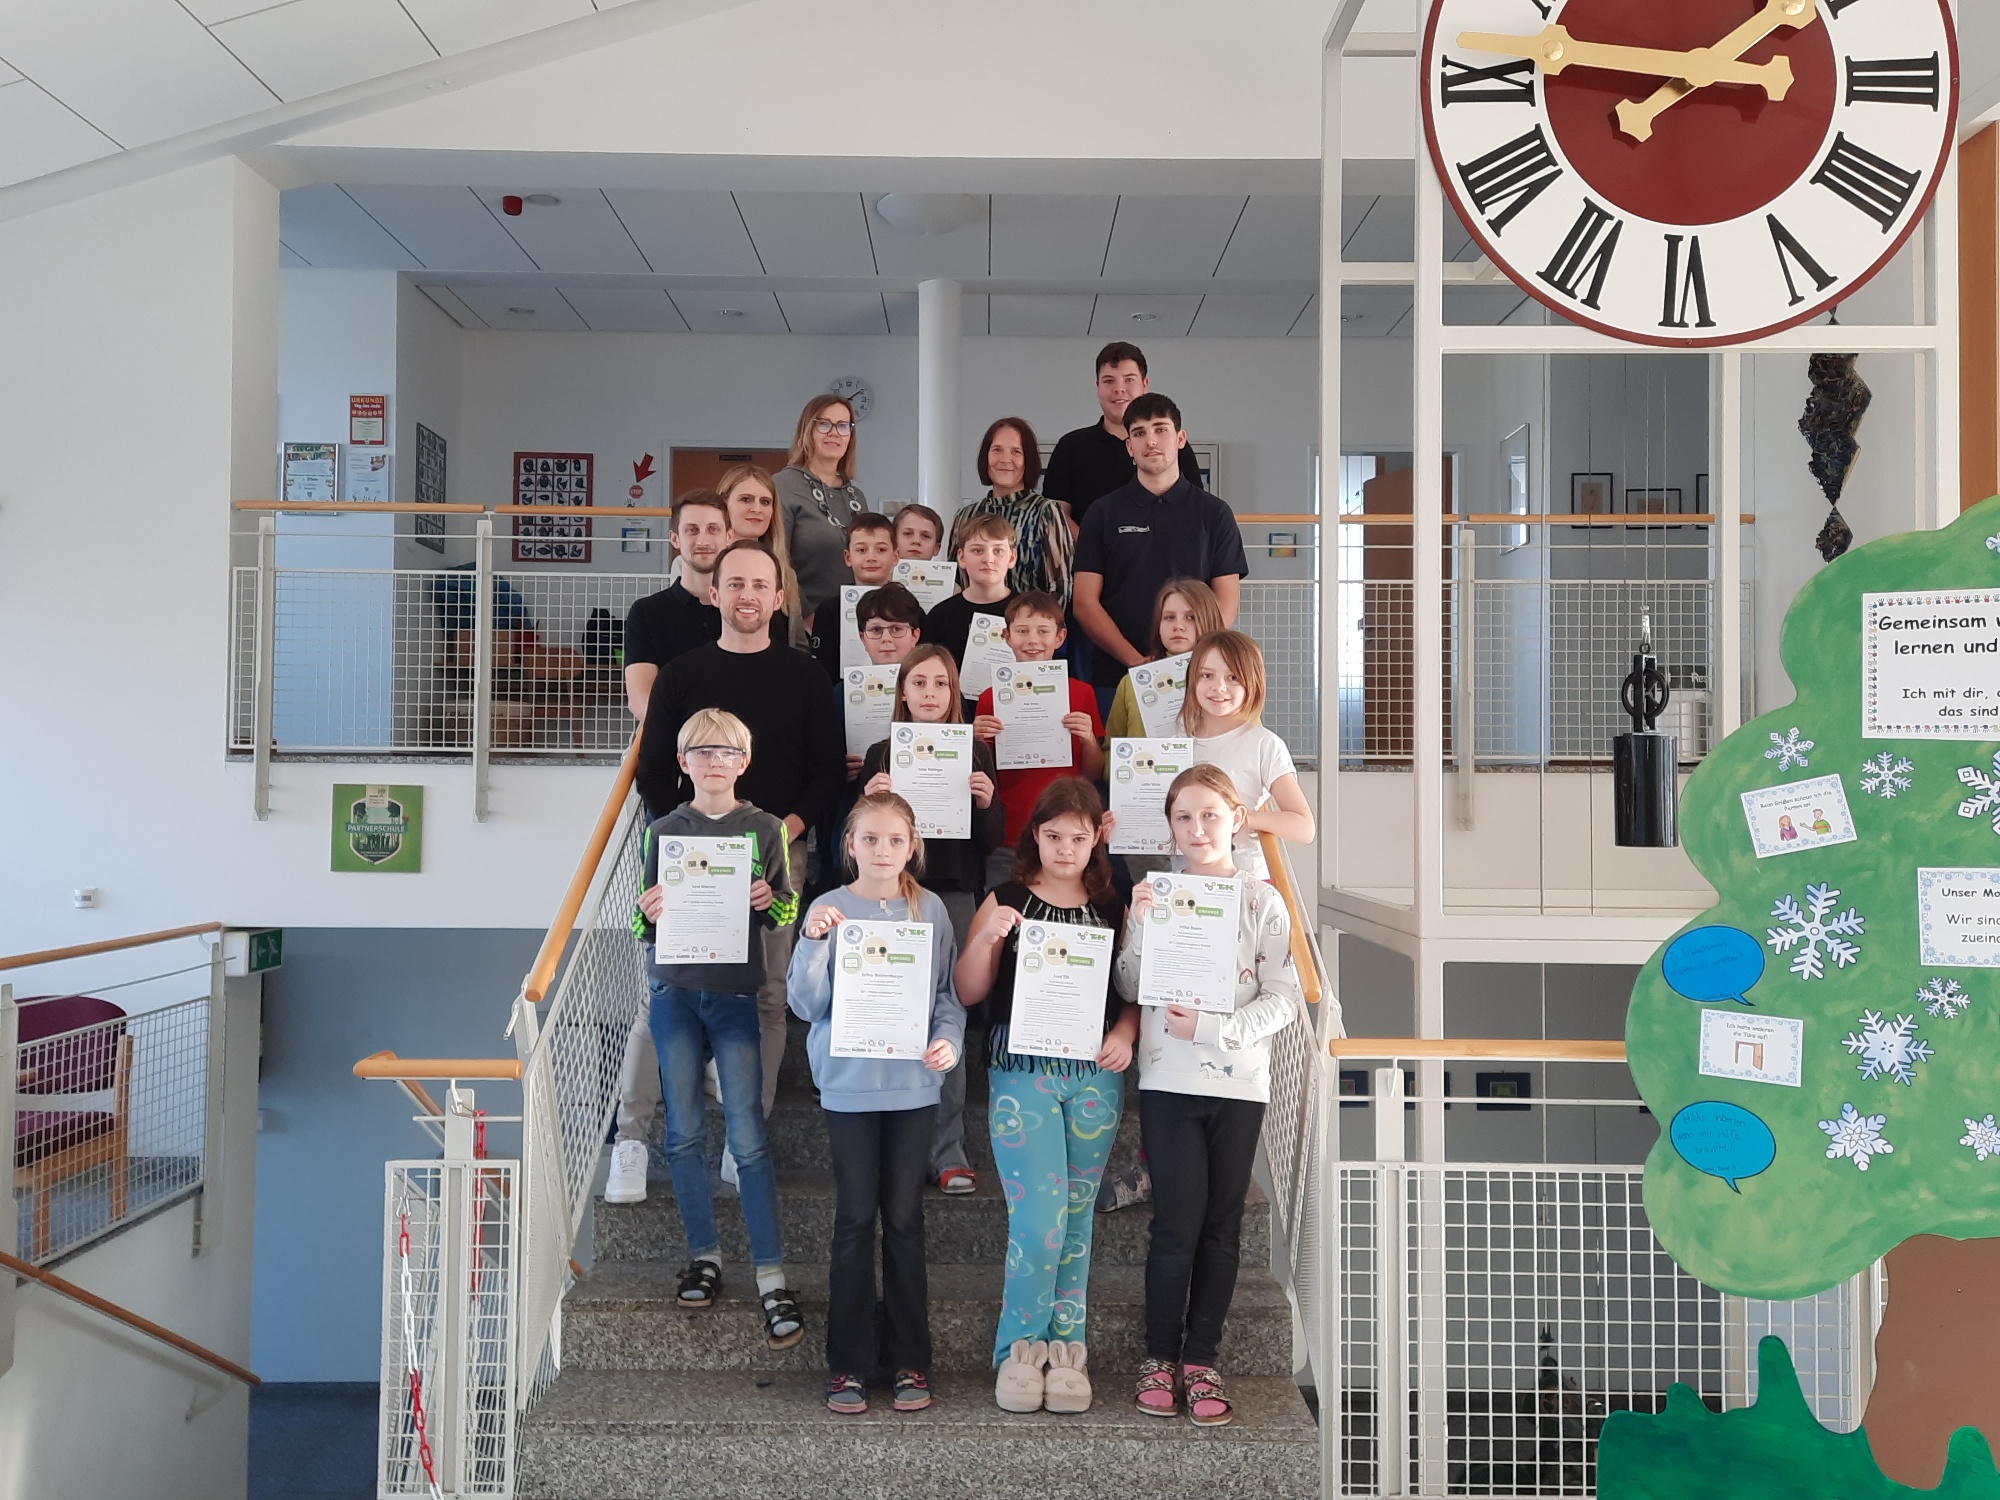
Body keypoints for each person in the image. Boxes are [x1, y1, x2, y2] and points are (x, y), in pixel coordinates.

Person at [1113, 765, 1303, 1428]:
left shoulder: (1262, 901)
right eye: (1184, 818)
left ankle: (1201, 1359)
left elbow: (1285, 998)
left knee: (1221, 1228)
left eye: (1210, 816)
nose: (1197, 829)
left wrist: (1217, 1029)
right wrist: (1137, 925)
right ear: (1169, 825)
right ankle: (1158, 1358)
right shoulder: (1156, 893)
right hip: (1168, 1081)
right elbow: (1132, 985)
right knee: (1174, 1225)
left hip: (1240, 1083)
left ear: (1236, 818)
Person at [640, 541, 844, 1115]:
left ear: (779, 599)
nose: (747, 595)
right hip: (692, 859)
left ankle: (746, 1124)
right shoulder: (681, 676)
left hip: (779, 854)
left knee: (769, 994)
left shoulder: (806, 675)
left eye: (759, 586)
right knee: (675, 985)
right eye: (735, 584)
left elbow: (826, 771)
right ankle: (652, 1121)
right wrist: (683, 838)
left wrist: (783, 832)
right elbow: (654, 770)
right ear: (714, 592)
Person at [954, 778, 1137, 1414]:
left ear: (1097, 838)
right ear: (1034, 834)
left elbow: (1138, 984)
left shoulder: (1117, 903)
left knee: (1077, 1220)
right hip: (1022, 1070)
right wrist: (987, 938)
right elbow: (970, 992)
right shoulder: (1005, 897)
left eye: (1078, 837)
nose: (1065, 848)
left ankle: (1067, 1354)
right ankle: (1018, 1351)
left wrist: (1126, 1031)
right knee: (1038, 1222)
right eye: (1053, 835)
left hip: (1094, 1074)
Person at [631, 708, 803, 1349]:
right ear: (682, 762)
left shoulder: (764, 828)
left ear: (744, 761)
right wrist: (647, 914)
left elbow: (786, 907)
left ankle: (771, 1274)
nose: (712, 762)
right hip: (675, 993)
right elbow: (641, 928)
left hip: (735, 995)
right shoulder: (664, 830)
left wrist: (769, 901)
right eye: (700, 752)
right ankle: (704, 1256)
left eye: (725, 752)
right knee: (682, 1135)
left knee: (748, 1136)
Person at [788, 793, 965, 1416]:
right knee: (855, 1220)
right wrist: (811, 945)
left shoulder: (931, 908)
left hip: (913, 1088)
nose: (884, 850)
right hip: (850, 1090)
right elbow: (806, 1006)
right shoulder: (828, 909)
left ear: (912, 845)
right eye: (871, 840)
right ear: (850, 845)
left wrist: (948, 1038)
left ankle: (912, 1360)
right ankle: (849, 1366)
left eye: (895, 840)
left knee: (906, 1221)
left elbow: (947, 996)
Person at [860, 645, 1004, 1195]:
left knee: (950, 1019)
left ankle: (948, 1152)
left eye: (939, 685)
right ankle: (891, 1153)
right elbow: (854, 845)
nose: (928, 694)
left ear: (953, 694)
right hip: (891, 897)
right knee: (888, 1016)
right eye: (918, 683)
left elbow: (990, 842)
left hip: (955, 897)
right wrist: (867, 797)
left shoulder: (974, 751)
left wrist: (987, 803)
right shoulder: (881, 752)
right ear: (902, 691)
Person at [1072, 392, 1247, 713]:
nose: (1150, 440)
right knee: (1117, 763)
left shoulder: (1215, 513)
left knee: (1199, 765)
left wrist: (1190, 661)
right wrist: (1137, 662)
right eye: (1138, 432)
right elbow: (1084, 602)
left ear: (1180, 438)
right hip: (1117, 676)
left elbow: (1226, 603)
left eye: (1160, 429)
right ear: (1129, 446)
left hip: (1195, 677)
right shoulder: (1102, 513)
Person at [972, 592, 1107, 889]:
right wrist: (976, 740)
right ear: (1006, 637)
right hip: (1008, 832)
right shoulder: (990, 697)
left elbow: (1094, 773)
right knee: (1004, 917)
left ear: (1060, 638)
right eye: (1022, 631)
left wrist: (1087, 739)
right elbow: (982, 772)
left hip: (1065, 833)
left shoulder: (1082, 694)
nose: (1033, 640)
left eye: (1043, 631)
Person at [1181, 630, 1314, 881]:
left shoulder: (1263, 743)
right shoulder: (1174, 744)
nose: (1219, 687)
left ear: (1252, 683)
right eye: (1207, 675)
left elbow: (1304, 826)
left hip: (1245, 882)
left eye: (1233, 677)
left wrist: (1240, 818)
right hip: (1185, 883)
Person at [1041, 342, 1204, 529]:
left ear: (1145, 384)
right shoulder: (1071, 446)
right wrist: (1094, 548)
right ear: (1097, 386)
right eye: (1109, 381)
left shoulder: (1171, 447)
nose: (1119, 389)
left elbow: (1194, 509)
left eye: (1129, 379)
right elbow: (1056, 516)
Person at [622, 491, 740, 719]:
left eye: (713, 529)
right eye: (692, 530)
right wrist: (699, 743)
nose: (703, 541)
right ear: (675, 539)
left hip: (741, 745)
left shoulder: (747, 610)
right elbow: (640, 702)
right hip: (674, 743)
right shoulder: (646, 613)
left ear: (729, 537)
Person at [947, 418, 1075, 603]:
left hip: (1028, 627)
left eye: (1016, 451)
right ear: (986, 456)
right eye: (997, 450)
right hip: (972, 627)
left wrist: (1039, 628)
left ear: (1027, 460)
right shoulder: (965, 516)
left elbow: (1061, 587)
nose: (1005, 459)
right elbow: (955, 582)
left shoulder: (1046, 512)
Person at [775, 394, 869, 629]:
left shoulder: (857, 496)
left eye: (843, 426)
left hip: (858, 624)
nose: (834, 433)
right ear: (808, 430)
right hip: (803, 624)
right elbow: (778, 560)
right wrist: (808, 618)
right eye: (824, 424)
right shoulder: (783, 486)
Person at [1101, 579, 1227, 743]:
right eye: (1169, 617)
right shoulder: (1132, 683)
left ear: (1209, 621)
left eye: (1191, 617)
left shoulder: (1229, 682)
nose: (1178, 626)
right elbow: (1111, 746)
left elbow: (1250, 741)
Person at [921, 514, 1017, 708]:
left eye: (998, 550)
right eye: (977, 550)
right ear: (962, 557)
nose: (988, 559)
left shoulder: (1028, 613)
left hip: (1013, 714)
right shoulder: (940, 616)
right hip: (955, 717)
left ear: (1012, 557)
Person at [719, 462, 806, 648]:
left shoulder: (785, 573)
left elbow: (798, 647)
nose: (757, 509)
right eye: (746, 499)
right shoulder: (704, 569)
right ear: (724, 504)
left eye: (765, 502)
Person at [812, 513, 902, 680]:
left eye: (881, 550)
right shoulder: (829, 611)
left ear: (895, 556)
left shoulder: (909, 608)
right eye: (861, 550)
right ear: (848, 557)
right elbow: (823, 671)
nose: (871, 557)